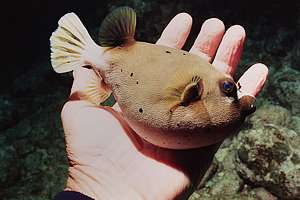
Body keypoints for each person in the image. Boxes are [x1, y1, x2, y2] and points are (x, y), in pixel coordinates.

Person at [54, 13, 268, 200]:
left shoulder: (222, 113)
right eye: (229, 87)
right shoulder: (196, 96)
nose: (246, 101)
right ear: (193, 93)